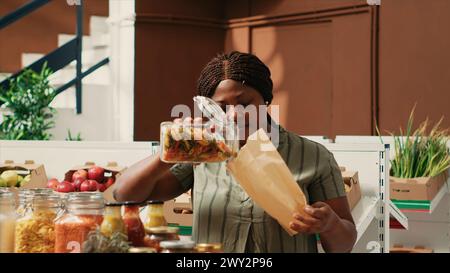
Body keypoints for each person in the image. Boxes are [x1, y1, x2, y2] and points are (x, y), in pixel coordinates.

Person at [114, 51, 357, 253]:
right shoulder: (201, 151)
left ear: (265, 99)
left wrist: (330, 224)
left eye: (244, 103)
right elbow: (125, 194)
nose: (234, 115)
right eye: (221, 107)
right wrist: (171, 150)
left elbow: (343, 244)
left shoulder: (312, 155)